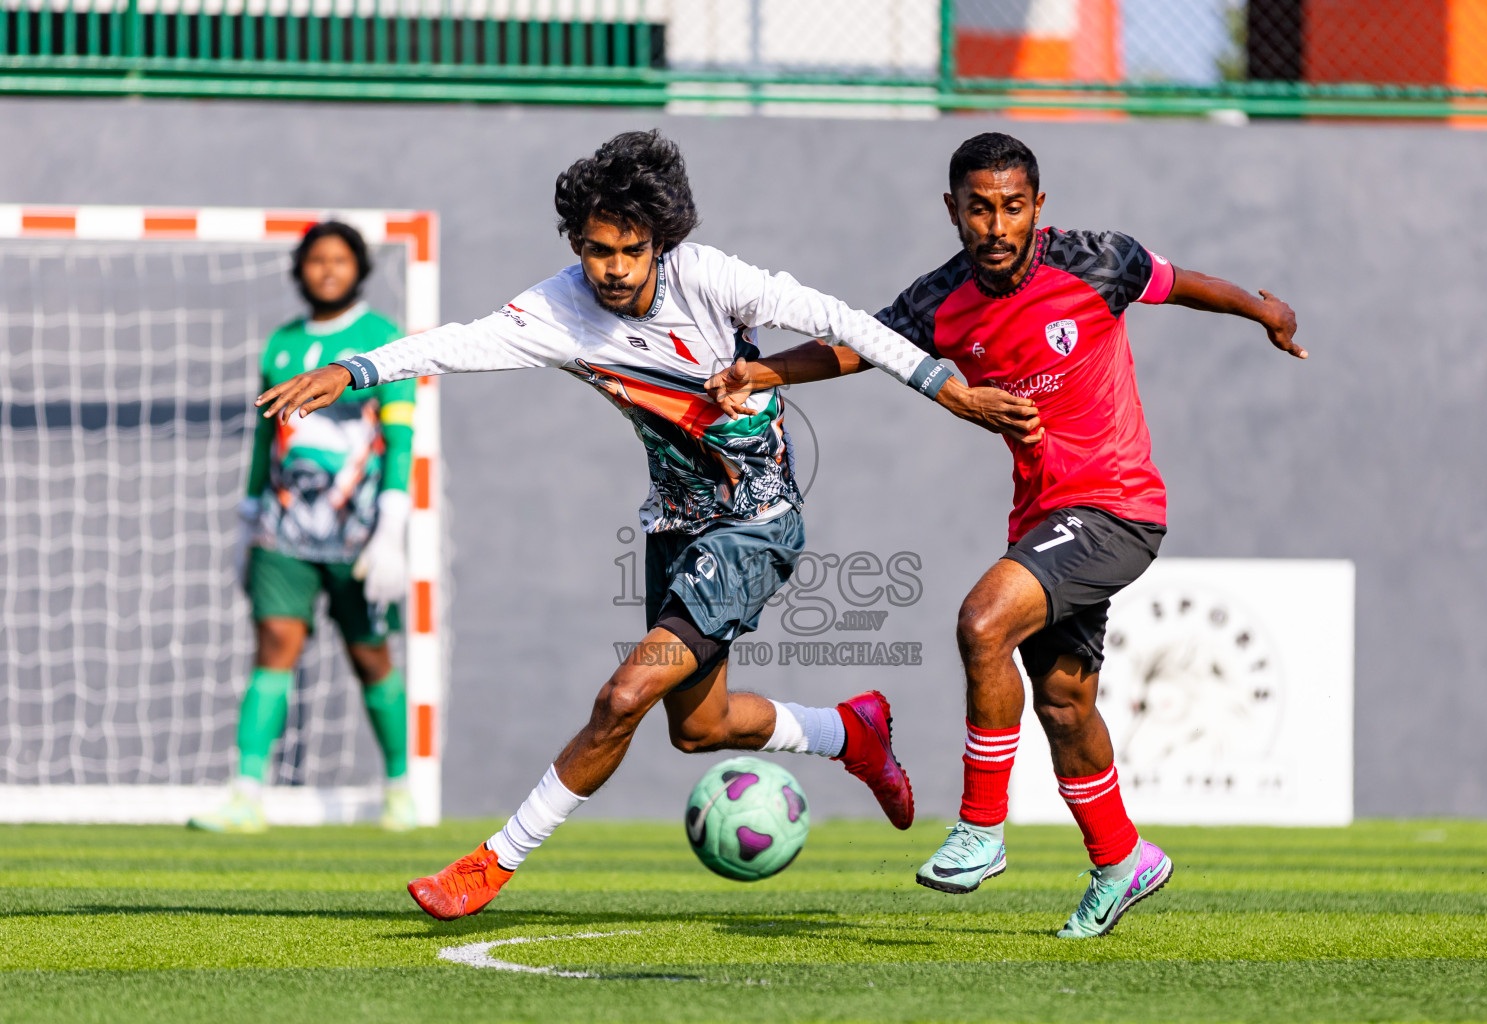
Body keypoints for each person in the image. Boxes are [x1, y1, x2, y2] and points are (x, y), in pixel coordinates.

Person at [255, 130, 1040, 919]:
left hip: (755, 522)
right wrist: (354, 369)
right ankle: (849, 732)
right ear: (576, 245)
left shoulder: (709, 278)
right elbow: (456, 343)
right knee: (698, 727)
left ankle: (491, 865)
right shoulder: (558, 310)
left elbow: (840, 319)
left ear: (660, 242)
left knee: (623, 695)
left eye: (632, 250)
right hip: (674, 523)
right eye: (598, 251)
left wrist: (947, 388)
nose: (616, 269)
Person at [705, 132, 1303, 938]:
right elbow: (860, 349)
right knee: (1063, 702)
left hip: (1116, 506)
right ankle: (1123, 858)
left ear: (1037, 208)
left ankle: (981, 830)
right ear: (952, 210)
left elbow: (1183, 283)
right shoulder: (939, 300)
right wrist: (766, 371)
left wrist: (1264, 309)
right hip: (1043, 517)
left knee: (981, 622)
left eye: (1012, 207)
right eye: (979, 208)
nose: (996, 225)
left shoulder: (1098, 262)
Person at [190, 221, 418, 834]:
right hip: (283, 532)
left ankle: (400, 786)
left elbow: (400, 436)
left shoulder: (382, 339)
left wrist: (392, 526)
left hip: (360, 536)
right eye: (316, 260)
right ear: (301, 269)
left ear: (358, 268)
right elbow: (267, 435)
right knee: (273, 650)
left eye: (339, 260)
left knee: (371, 657)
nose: (327, 270)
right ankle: (245, 793)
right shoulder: (281, 344)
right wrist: (248, 514)